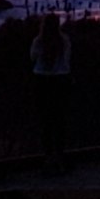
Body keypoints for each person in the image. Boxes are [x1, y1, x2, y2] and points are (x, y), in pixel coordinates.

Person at [30, 12, 72, 169]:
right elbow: (67, 61)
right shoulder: (65, 41)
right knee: (60, 120)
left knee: (45, 120)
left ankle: (47, 156)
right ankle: (59, 155)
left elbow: (32, 59)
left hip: (42, 81)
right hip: (61, 81)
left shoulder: (38, 41)